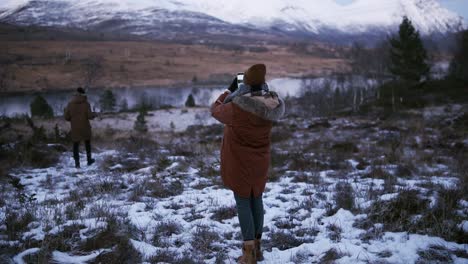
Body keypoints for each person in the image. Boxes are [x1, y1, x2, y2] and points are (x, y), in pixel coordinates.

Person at [211, 64, 285, 264]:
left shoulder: (237, 106)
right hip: (260, 160)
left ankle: (248, 254)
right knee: (257, 199)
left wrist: (229, 89)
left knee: (243, 201)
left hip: (239, 160)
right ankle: (258, 249)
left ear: (245, 83)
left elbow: (215, 110)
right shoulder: (270, 103)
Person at [64, 87, 97, 168]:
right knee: (87, 144)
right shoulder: (86, 104)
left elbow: (66, 117)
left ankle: (77, 164)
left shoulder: (70, 104)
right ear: (83, 94)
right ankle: (89, 161)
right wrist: (94, 114)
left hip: (75, 128)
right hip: (85, 127)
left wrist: (73, 119)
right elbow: (89, 116)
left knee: (75, 145)